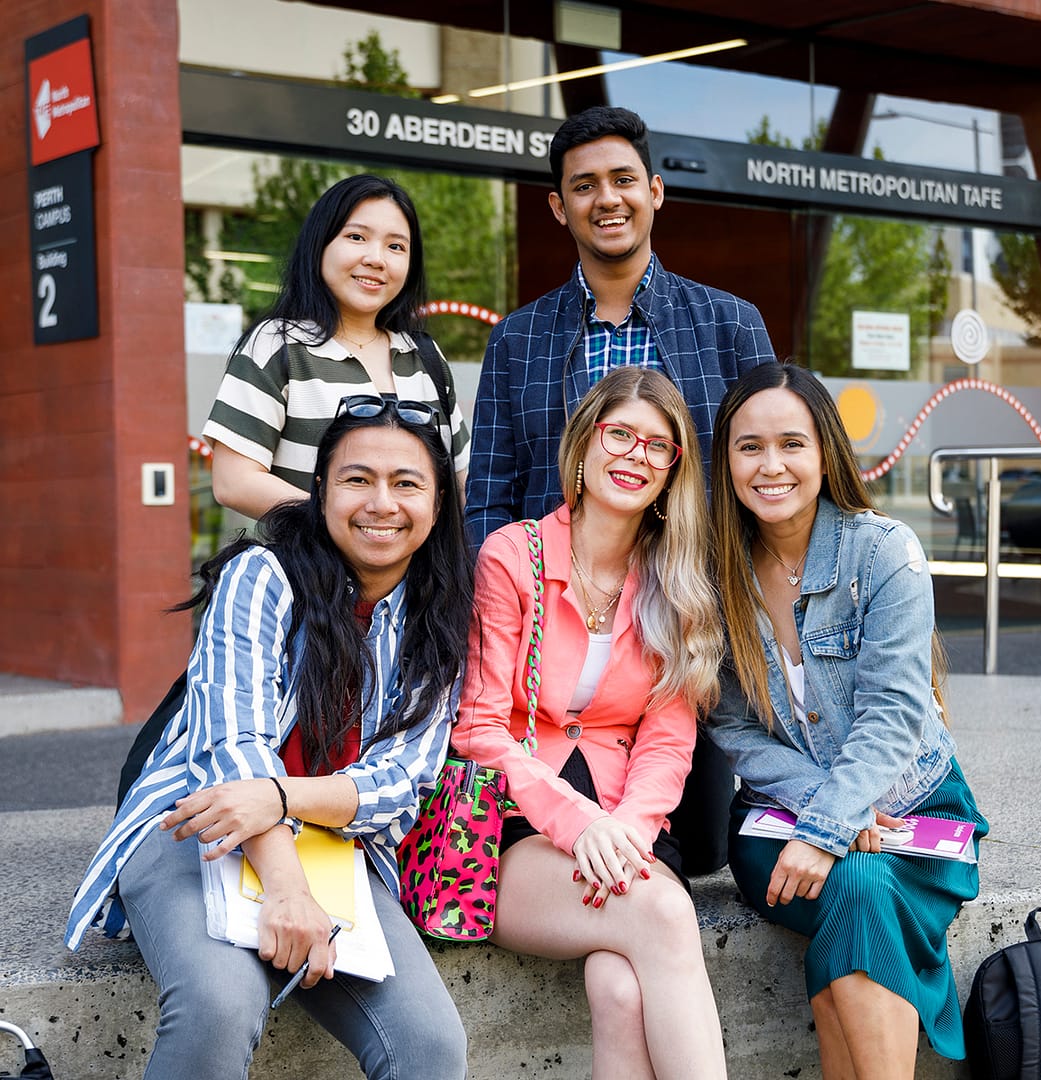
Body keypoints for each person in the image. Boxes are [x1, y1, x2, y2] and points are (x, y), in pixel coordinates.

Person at [66, 396, 473, 1080]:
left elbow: (403, 781)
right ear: (320, 491)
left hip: (336, 848)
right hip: (196, 825)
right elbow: (234, 748)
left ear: (438, 504)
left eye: (407, 483)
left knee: (429, 1046)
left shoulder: (441, 614)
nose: (381, 503)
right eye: (357, 479)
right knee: (219, 1005)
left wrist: (281, 798)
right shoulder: (262, 575)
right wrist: (285, 888)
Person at [706, 362, 988, 1079]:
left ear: (826, 452)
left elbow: (894, 713)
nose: (771, 465)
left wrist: (830, 828)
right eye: (749, 446)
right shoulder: (713, 572)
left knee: (860, 886)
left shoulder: (884, 550)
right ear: (726, 461)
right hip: (779, 820)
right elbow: (733, 728)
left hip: (915, 814)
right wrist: (824, 815)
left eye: (791, 444)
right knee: (859, 885)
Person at [454, 367, 729, 1079]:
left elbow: (668, 740)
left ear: (673, 471)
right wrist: (581, 826)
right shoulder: (512, 557)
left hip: (631, 828)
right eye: (620, 435)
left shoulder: (677, 582)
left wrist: (629, 831)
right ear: (583, 445)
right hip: (513, 830)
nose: (637, 455)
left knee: (619, 987)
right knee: (664, 916)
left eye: (658, 446)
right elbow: (480, 728)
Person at [464, 104, 775, 550]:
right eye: (585, 186)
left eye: (623, 180)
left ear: (655, 192)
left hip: (699, 586)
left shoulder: (731, 324)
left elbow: (765, 478)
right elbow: (489, 501)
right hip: (551, 588)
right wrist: (502, 588)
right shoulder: (516, 338)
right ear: (559, 207)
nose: (608, 199)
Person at [203, 173, 470, 520]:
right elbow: (234, 482)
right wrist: (348, 522)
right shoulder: (278, 345)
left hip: (423, 559)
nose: (376, 259)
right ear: (320, 245)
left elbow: (463, 483)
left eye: (396, 246)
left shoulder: (424, 355)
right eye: (356, 237)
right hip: (309, 557)